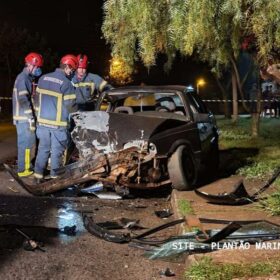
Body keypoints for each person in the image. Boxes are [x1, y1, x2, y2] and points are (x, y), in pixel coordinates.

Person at [33, 54, 84, 182]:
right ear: (67, 67)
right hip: (58, 126)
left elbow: (36, 101)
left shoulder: (43, 78)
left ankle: (38, 177)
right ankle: (55, 180)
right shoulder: (67, 84)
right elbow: (71, 106)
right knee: (56, 153)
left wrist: (39, 117)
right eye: (72, 70)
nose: (72, 73)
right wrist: (80, 117)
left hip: (42, 125)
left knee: (43, 150)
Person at [12, 52, 43, 177]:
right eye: (38, 67)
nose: (39, 70)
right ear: (31, 65)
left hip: (23, 118)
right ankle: (25, 170)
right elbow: (23, 100)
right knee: (27, 145)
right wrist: (31, 118)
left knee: (24, 144)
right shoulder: (23, 78)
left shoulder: (26, 78)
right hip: (24, 119)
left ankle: (23, 168)